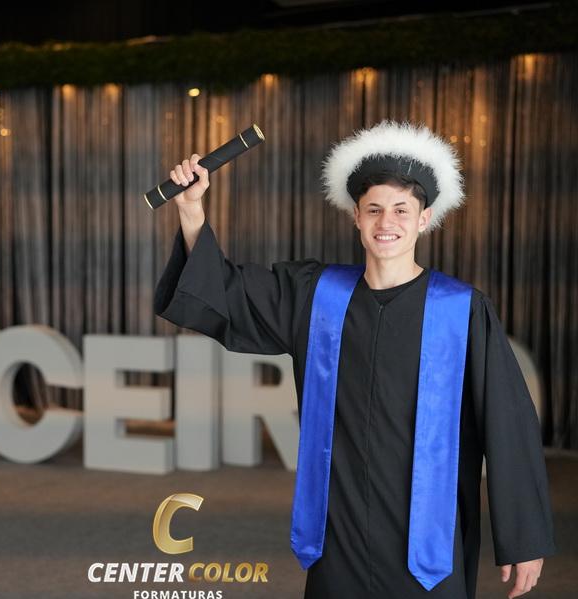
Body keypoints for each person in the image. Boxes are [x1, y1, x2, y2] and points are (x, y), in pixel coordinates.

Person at [153, 120, 555, 599]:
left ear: (424, 219)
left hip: (425, 543)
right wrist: (192, 209)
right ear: (356, 218)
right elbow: (227, 293)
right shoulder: (316, 295)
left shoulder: (460, 310)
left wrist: (524, 539)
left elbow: (507, 422)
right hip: (338, 536)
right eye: (374, 210)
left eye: (402, 210)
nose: (387, 223)